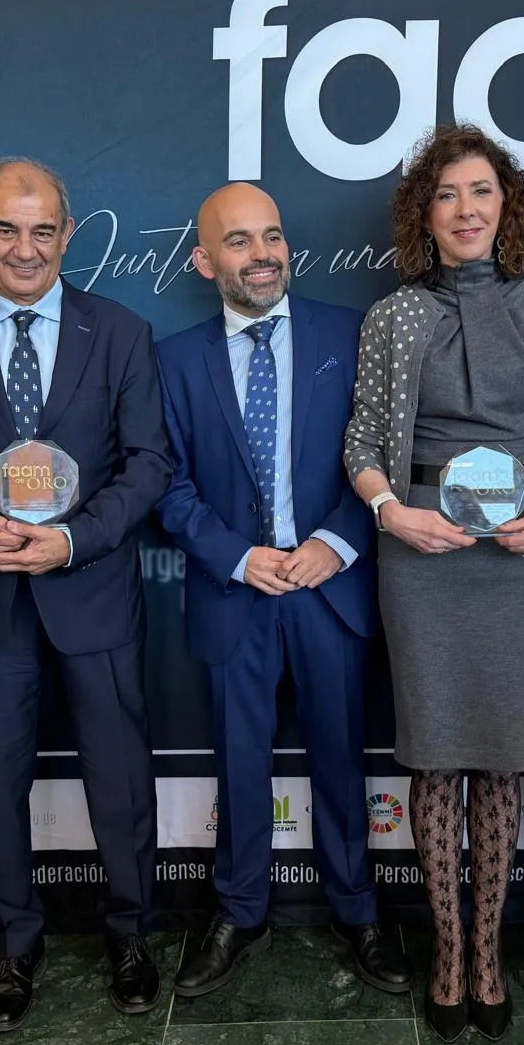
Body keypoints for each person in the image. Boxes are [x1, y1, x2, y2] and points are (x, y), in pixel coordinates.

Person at [0, 157, 172, 1028]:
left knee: (123, 779)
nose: (26, 248)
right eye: (6, 228)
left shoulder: (123, 331)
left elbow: (148, 467)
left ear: (68, 231)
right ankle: (12, 950)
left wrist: (69, 540)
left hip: (90, 590)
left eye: (43, 229)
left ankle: (132, 937)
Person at [344, 122, 524, 1042]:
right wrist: (391, 514)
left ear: (505, 207)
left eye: (482, 192)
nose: (467, 209)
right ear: (425, 216)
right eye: (447, 195)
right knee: (437, 758)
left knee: (498, 760)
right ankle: (446, 957)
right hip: (424, 554)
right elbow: (363, 443)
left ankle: (490, 953)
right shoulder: (392, 317)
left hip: (517, 559)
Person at [156, 183, 412, 999]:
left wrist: (336, 543)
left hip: (330, 588)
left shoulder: (350, 333)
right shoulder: (172, 360)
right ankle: (239, 912)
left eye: (272, 235)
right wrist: (237, 557)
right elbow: (166, 485)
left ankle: (357, 910)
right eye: (239, 241)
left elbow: (385, 453)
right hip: (236, 593)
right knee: (239, 763)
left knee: (342, 756)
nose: (262, 253)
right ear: (205, 261)